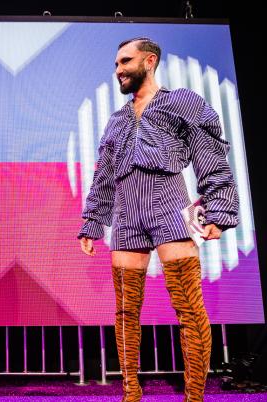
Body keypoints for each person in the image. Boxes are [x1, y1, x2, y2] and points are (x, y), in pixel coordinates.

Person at [78, 38, 239, 402]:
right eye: (116, 63)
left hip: (169, 206)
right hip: (126, 214)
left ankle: (194, 397)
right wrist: (92, 222)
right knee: (125, 310)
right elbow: (103, 176)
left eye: (125, 61)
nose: (118, 69)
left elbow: (210, 154)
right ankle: (131, 392)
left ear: (149, 61)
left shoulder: (181, 102)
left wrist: (220, 209)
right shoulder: (117, 120)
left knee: (188, 305)